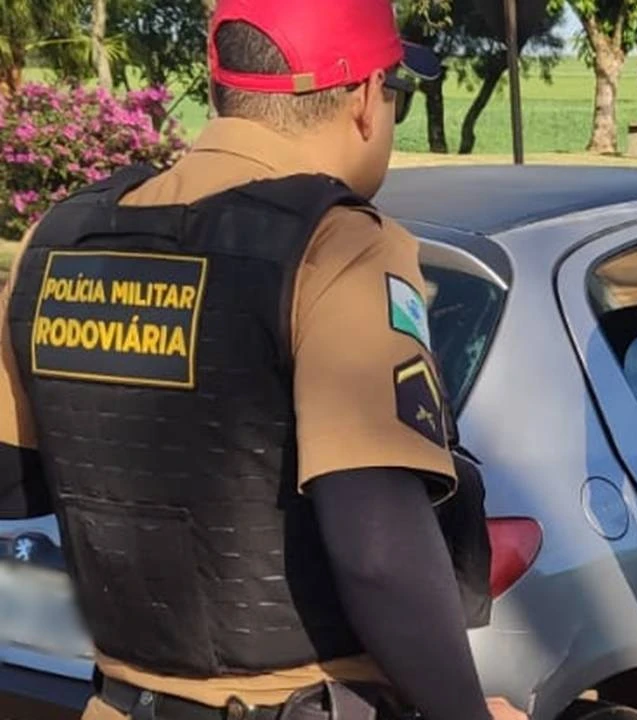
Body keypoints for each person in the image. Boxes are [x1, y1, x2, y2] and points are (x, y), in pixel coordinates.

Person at [0, 1, 525, 718]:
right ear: (367, 96)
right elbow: (377, 553)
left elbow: (15, 483)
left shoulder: (60, 239)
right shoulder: (340, 247)